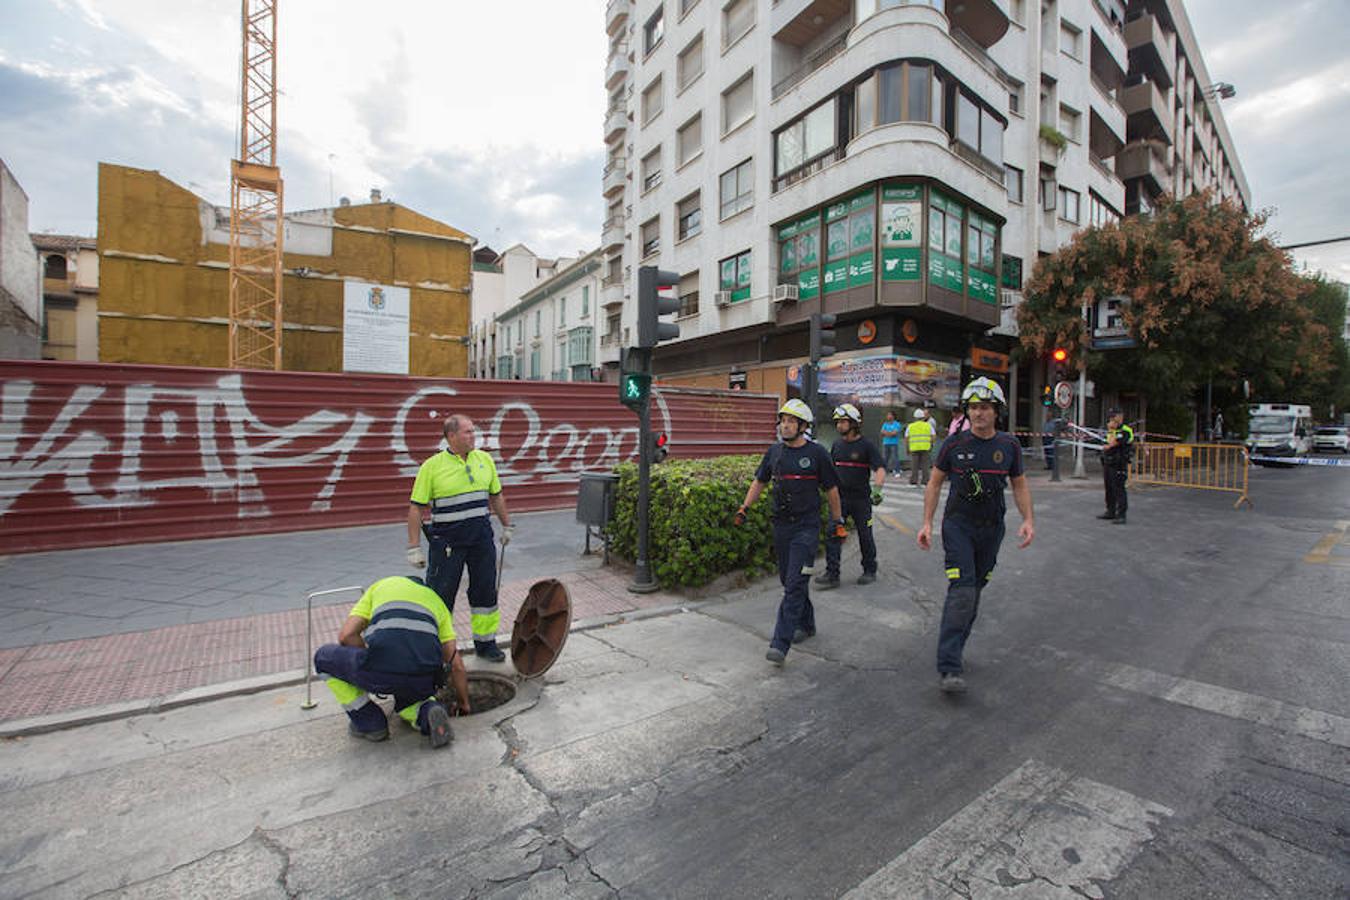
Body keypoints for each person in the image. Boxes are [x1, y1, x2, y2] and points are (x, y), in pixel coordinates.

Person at [917, 377, 1034, 695]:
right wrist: (927, 523)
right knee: (963, 588)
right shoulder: (954, 445)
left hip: (992, 528)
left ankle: (956, 648)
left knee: (975, 589)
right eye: (973, 408)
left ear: (997, 411)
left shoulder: (1009, 446)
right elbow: (934, 483)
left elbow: (1020, 484)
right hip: (958, 526)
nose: (978, 414)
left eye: (984, 408)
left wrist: (1028, 520)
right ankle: (949, 665)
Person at [734, 399, 845, 667]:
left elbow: (831, 489)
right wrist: (744, 508)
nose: (785, 425)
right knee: (789, 579)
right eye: (783, 420)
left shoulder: (818, 454)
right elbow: (759, 481)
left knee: (794, 583)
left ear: (803, 426)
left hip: (806, 528)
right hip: (781, 526)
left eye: (791, 421)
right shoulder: (774, 453)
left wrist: (837, 520)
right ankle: (806, 624)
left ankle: (779, 644)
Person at [313, 574, 471, 747]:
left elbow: (346, 636)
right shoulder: (437, 602)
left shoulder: (381, 586)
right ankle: (428, 712)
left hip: (382, 668)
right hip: (423, 677)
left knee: (323, 657)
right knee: (412, 697)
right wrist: (464, 704)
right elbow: (456, 666)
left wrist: (369, 664)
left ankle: (371, 723)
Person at [407, 414, 514, 662]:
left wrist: (507, 526)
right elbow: (415, 508)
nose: (473, 436)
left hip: (481, 540)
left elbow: (496, 496)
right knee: (440, 596)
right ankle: (438, 650)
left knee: (485, 592)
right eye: (467, 432)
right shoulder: (431, 467)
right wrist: (414, 547)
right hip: (447, 543)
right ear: (451, 436)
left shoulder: (485, 459)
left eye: (473, 431)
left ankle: (486, 645)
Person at [817, 404, 886, 588]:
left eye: (843, 421)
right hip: (840, 499)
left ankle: (869, 570)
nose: (839, 425)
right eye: (838, 422)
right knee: (833, 533)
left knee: (865, 535)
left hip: (861, 500)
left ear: (854, 423)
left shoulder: (866, 445)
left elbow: (879, 468)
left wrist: (878, 489)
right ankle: (832, 574)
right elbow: (830, 470)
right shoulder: (837, 445)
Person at [1099, 407, 1134, 524]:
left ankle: (1121, 515)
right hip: (1109, 463)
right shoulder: (1110, 430)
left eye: (1113, 417)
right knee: (1109, 488)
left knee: (1119, 489)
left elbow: (1116, 443)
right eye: (1110, 417)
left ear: (1120, 417)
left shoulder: (1126, 430)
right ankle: (1110, 511)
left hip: (1119, 464)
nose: (1111, 419)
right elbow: (1104, 442)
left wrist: (1108, 445)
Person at [905, 408, 937, 486]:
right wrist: (931, 445)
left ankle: (913, 482)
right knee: (925, 466)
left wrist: (907, 448)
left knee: (914, 466)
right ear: (923, 417)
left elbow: (907, 438)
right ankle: (925, 482)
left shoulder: (910, 426)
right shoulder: (928, 426)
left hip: (914, 448)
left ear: (915, 417)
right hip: (925, 448)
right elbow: (933, 436)